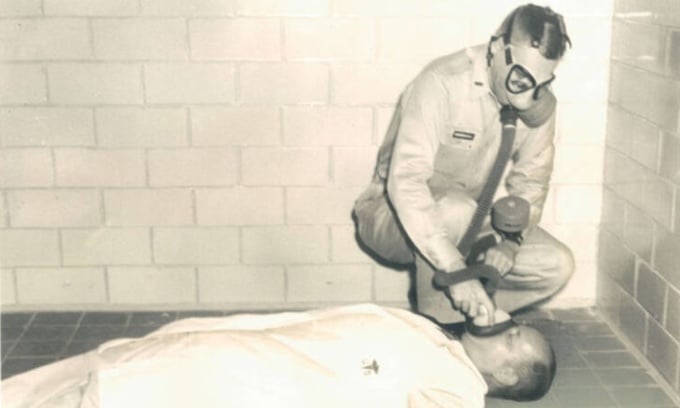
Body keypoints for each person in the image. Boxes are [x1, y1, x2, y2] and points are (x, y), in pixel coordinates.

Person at [353, 3, 575, 326]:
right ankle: (442, 333)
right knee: (456, 211)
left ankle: (476, 313)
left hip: (467, 215)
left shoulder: (535, 99)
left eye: (542, 84)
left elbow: (532, 182)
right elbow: (406, 183)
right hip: (391, 215)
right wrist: (456, 271)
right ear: (499, 47)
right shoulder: (441, 83)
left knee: (556, 263)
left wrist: (511, 243)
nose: (528, 99)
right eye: (521, 81)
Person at [1, 304, 555, 407]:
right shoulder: (440, 337)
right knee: (132, 357)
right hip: (265, 344)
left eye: (514, 339)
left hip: (263, 378)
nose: (506, 325)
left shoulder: (461, 389)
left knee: (134, 382)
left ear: (505, 373)